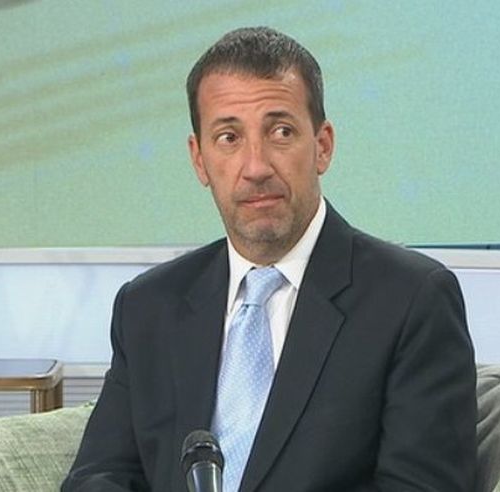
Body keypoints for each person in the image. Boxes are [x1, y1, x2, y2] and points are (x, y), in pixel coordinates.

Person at [63, 26, 476, 492]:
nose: (256, 167)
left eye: (281, 132)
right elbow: (99, 475)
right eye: (228, 137)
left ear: (322, 146)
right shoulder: (148, 306)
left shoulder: (411, 300)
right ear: (199, 160)